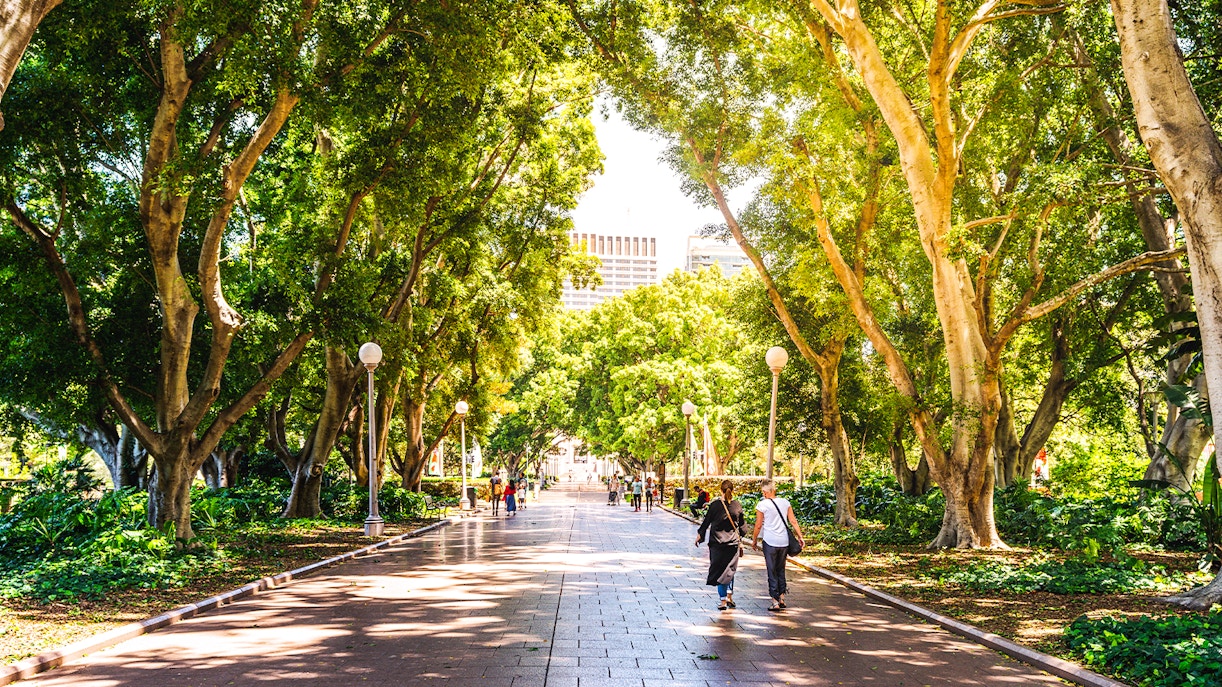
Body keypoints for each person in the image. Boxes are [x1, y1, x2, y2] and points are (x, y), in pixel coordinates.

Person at [752, 480, 804, 612]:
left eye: (763, 491)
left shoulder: (762, 504)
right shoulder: (785, 502)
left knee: (772, 570)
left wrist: (754, 540)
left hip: (770, 541)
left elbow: (758, 525)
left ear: (765, 492)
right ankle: (781, 598)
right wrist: (800, 536)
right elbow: (793, 521)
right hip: (784, 542)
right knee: (781, 569)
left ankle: (774, 601)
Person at [696, 480, 748, 611]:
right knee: (729, 571)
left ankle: (723, 600)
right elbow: (743, 527)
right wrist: (739, 537)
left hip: (717, 544)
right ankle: (729, 596)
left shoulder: (715, 505)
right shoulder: (737, 505)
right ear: (732, 490)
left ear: (721, 490)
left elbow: (706, 522)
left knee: (720, 572)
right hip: (732, 544)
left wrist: (699, 535)